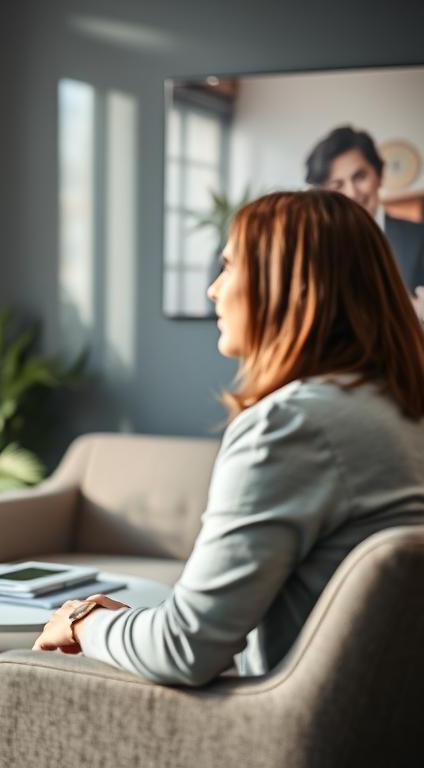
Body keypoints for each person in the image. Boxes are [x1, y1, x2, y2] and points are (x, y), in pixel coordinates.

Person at [33, 190, 424, 685]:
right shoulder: (399, 410)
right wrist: (134, 624)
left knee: (18, 678)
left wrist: (82, 621)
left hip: (285, 719)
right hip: (380, 711)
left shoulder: (290, 426)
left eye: (228, 266)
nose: (214, 290)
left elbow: (184, 649)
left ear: (290, 286)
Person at [304, 124, 424, 319]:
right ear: (323, 195)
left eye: (360, 177)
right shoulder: (313, 249)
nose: (352, 193)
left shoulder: (419, 237)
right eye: (337, 184)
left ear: (379, 174)